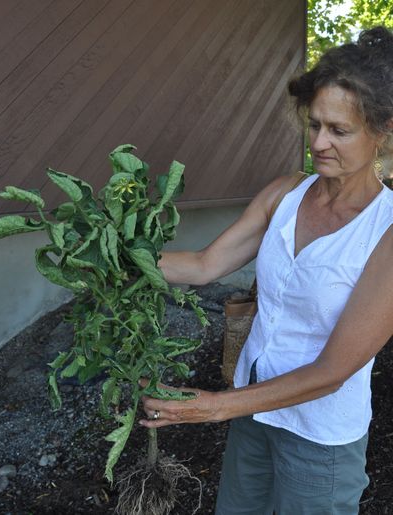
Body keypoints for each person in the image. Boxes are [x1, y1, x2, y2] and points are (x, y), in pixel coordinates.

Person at [139, 26, 393, 514]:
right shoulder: (286, 193)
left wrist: (210, 407)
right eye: (314, 124)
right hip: (254, 406)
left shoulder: (385, 231)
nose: (319, 142)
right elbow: (202, 265)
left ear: (382, 131)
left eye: (339, 130)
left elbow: (332, 371)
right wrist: (115, 261)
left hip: (320, 436)